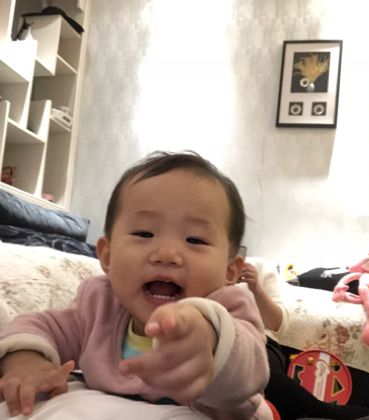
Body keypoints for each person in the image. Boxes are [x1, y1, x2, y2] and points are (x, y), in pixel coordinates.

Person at [0, 151, 275, 419]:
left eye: (195, 240)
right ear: (107, 256)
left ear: (230, 270)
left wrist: (211, 343)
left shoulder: (229, 307)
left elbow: (253, 371)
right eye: (144, 233)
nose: (167, 254)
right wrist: (26, 361)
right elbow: (34, 326)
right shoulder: (99, 303)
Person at [238, 258, 369, 420]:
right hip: (221, 346)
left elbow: (277, 325)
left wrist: (256, 290)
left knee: (258, 374)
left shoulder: (258, 267)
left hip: (260, 342)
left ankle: (321, 410)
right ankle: (318, 410)